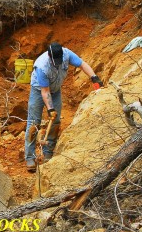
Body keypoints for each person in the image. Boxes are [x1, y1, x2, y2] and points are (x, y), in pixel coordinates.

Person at [25, 42, 103, 172]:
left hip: (55, 91)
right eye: (54, 61)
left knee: (55, 121)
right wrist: (50, 109)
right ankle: (29, 157)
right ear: (49, 56)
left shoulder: (66, 54)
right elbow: (45, 92)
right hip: (38, 91)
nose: (57, 63)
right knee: (34, 123)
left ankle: (48, 153)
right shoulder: (42, 66)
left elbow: (82, 64)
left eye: (59, 60)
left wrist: (94, 77)